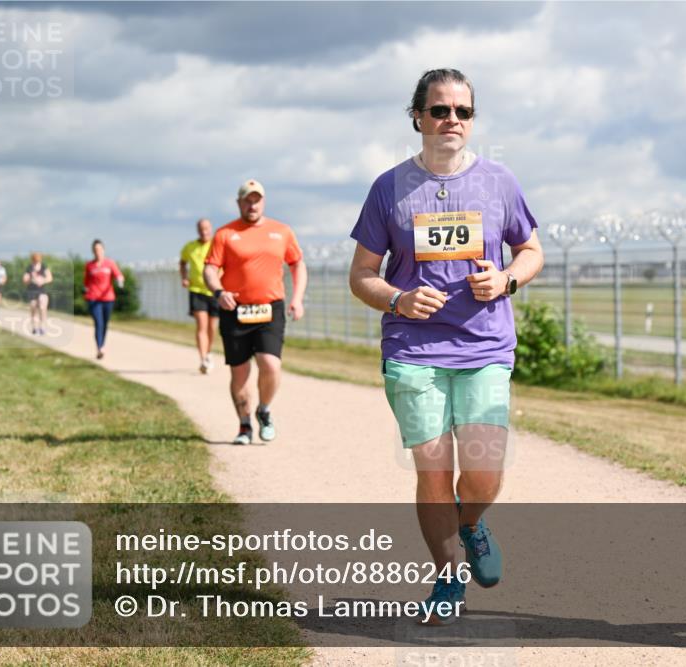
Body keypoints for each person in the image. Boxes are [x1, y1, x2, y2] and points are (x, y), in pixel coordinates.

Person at [348, 68, 543, 625]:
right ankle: (448, 574)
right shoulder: (389, 188)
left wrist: (507, 279)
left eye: (462, 111)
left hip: (483, 346)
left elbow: (531, 250)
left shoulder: (500, 183)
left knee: (482, 471)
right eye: (439, 110)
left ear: (472, 120)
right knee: (432, 473)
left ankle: (472, 522)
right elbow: (362, 273)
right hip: (413, 351)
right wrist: (398, 300)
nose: (451, 120)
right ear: (418, 117)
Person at [203, 179, 307, 445]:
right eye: (247, 200)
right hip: (235, 309)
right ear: (239, 203)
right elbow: (210, 269)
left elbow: (297, 265)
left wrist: (297, 298)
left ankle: (264, 409)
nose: (252, 205)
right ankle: (244, 426)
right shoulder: (225, 234)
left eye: (256, 200)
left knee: (270, 364)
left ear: (263, 202)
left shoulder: (281, 231)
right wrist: (218, 292)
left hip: (270, 308)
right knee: (239, 373)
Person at [180, 218, 220, 373]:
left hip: (215, 291)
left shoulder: (217, 245)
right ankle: (203, 359)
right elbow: (182, 262)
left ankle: (209, 352)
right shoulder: (190, 247)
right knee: (201, 325)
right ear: (197, 230)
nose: (204, 232)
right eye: (201, 229)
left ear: (211, 229)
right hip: (196, 290)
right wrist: (184, 277)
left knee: (212, 327)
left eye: (206, 228)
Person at [83, 239, 124, 359]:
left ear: (104, 250)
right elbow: (86, 282)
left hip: (108, 298)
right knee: (98, 323)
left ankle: (102, 345)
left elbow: (118, 275)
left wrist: (120, 281)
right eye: (95, 250)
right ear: (93, 251)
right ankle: (99, 348)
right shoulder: (89, 266)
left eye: (100, 249)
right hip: (94, 298)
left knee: (105, 324)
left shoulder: (110, 263)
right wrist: (85, 290)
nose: (98, 252)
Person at [23, 252, 53, 335]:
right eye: (35, 259)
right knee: (33, 308)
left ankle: (42, 327)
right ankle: (34, 327)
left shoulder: (44, 267)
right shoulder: (29, 268)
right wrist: (31, 279)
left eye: (38, 259)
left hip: (42, 291)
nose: (36, 261)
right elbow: (25, 280)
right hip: (32, 291)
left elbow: (50, 278)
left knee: (42, 307)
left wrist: (43, 280)